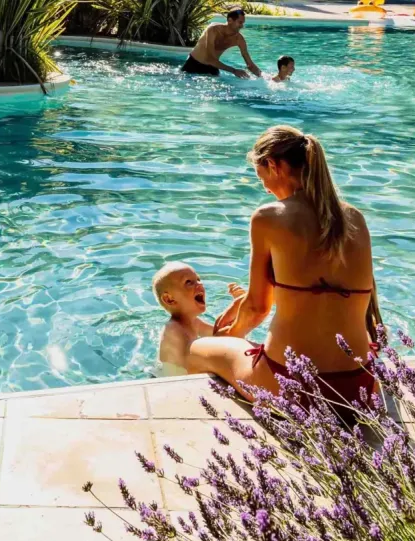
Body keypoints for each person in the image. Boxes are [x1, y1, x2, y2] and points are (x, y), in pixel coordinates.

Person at [187, 126, 379, 424]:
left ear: (274, 166)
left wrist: (230, 337)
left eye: (260, 174)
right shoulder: (354, 218)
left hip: (291, 389)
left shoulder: (269, 217)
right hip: (359, 389)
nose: (263, 185)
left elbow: (257, 308)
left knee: (198, 350)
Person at [153, 262, 245, 374]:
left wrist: (237, 310)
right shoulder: (173, 330)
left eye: (198, 279)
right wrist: (240, 309)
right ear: (170, 299)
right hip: (170, 381)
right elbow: (221, 342)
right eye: (188, 282)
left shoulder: (194, 322)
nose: (200, 285)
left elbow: (218, 334)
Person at [182, 8, 263, 79]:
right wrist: (234, 71)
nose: (242, 26)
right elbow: (210, 58)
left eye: (243, 23)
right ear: (230, 20)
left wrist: (264, 77)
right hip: (193, 64)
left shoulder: (239, 39)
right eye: (240, 22)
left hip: (212, 68)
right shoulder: (213, 30)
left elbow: (250, 65)